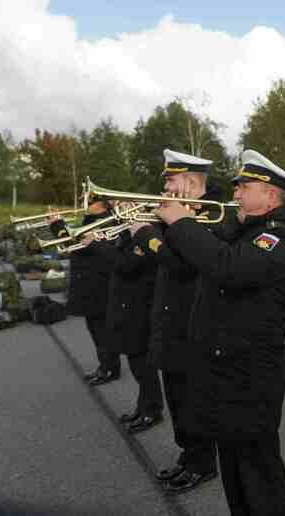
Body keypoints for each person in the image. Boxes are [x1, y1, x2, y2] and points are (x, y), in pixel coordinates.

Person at [155, 150, 285, 516]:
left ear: (271, 195)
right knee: (235, 474)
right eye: (237, 187)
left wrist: (181, 224)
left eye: (245, 187)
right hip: (223, 369)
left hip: (251, 375)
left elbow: (227, 267)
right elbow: (188, 257)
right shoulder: (243, 228)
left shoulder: (280, 238)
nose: (235, 194)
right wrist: (175, 221)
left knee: (258, 473)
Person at [128, 150, 219, 493]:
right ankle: (188, 454)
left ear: (192, 182)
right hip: (170, 316)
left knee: (192, 400)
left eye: (170, 179)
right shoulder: (177, 213)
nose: (164, 184)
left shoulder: (209, 215)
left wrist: (145, 234)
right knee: (177, 397)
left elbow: (181, 264)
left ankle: (202, 462)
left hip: (192, 321)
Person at [87, 205, 163, 434]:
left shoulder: (148, 232)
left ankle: (152, 410)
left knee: (142, 365)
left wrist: (96, 244)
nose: (123, 212)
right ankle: (143, 406)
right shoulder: (129, 232)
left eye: (128, 207)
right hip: (126, 305)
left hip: (140, 307)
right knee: (135, 360)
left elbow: (125, 264)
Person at [49, 199, 121, 385]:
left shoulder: (105, 222)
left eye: (91, 201)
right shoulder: (92, 220)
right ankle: (105, 366)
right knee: (96, 328)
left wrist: (58, 225)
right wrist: (58, 226)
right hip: (90, 284)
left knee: (102, 330)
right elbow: (72, 243)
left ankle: (109, 368)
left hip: (99, 285)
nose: (85, 203)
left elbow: (77, 242)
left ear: (103, 205)